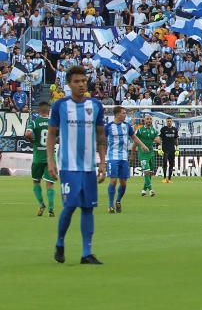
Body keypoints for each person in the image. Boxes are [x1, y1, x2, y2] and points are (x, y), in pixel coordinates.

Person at [48, 66, 107, 265]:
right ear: (69, 84)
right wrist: (50, 161)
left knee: (88, 208)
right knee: (71, 205)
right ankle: (60, 243)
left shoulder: (96, 105)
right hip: (68, 165)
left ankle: (86, 252)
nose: (81, 84)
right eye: (76, 81)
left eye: (83, 80)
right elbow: (51, 134)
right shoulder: (60, 106)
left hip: (89, 166)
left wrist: (102, 163)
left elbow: (100, 136)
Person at [105, 106, 148, 214]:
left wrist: (142, 145)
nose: (125, 115)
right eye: (124, 113)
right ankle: (110, 205)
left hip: (124, 157)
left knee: (123, 184)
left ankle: (118, 201)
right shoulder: (109, 127)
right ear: (117, 114)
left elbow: (133, 137)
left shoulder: (127, 126)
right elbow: (101, 139)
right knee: (113, 180)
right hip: (112, 157)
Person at [26, 101, 56, 217]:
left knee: (36, 181)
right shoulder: (52, 123)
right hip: (50, 158)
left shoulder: (34, 122)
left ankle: (42, 204)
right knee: (50, 184)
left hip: (38, 157)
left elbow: (28, 134)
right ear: (49, 111)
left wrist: (33, 141)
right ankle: (51, 209)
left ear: (39, 111)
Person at [136, 115, 160, 196]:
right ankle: (151, 190)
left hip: (151, 153)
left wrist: (158, 141)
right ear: (144, 120)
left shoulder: (154, 130)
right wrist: (132, 153)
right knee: (146, 171)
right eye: (147, 119)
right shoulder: (140, 130)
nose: (149, 120)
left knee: (150, 172)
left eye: (150, 119)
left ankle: (143, 190)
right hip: (142, 153)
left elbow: (158, 140)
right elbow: (135, 141)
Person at [159, 117, 178, 183]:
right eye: (168, 121)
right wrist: (159, 147)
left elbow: (176, 139)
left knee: (171, 164)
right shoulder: (163, 129)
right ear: (166, 122)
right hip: (165, 149)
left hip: (172, 149)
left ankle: (169, 179)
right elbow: (160, 138)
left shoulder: (174, 129)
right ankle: (164, 178)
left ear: (172, 122)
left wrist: (177, 148)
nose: (169, 122)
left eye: (170, 121)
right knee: (164, 163)